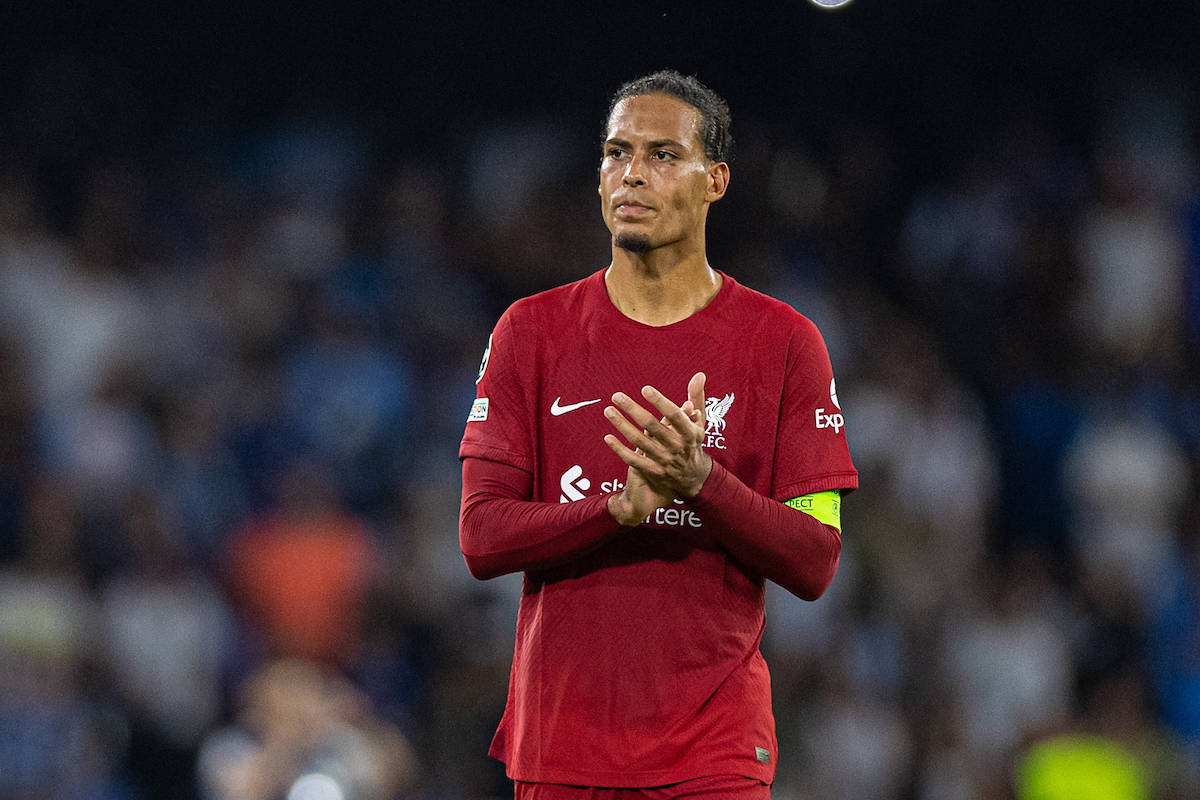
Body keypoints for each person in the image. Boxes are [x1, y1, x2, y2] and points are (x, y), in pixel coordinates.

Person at [458, 69, 858, 799]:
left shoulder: (786, 343)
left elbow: (816, 558)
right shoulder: (531, 332)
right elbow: (482, 535)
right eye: (616, 153)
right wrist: (615, 511)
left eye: (664, 155)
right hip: (562, 748)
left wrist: (701, 484)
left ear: (717, 181)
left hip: (713, 755)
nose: (632, 174)